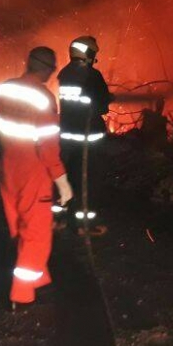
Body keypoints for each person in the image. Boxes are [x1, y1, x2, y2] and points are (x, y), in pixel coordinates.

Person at [0, 46, 72, 307]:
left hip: (9, 166)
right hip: (35, 171)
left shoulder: (6, 88)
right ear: (50, 71)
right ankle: (21, 295)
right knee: (37, 235)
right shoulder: (43, 98)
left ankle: (37, 279)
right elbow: (48, 147)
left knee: (18, 226)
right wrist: (61, 179)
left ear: (27, 62)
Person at [56, 36, 113, 234]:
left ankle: (61, 218)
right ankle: (85, 225)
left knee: (68, 176)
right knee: (89, 180)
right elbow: (102, 105)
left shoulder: (64, 74)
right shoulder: (91, 75)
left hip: (67, 136)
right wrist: (107, 98)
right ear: (88, 53)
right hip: (89, 138)